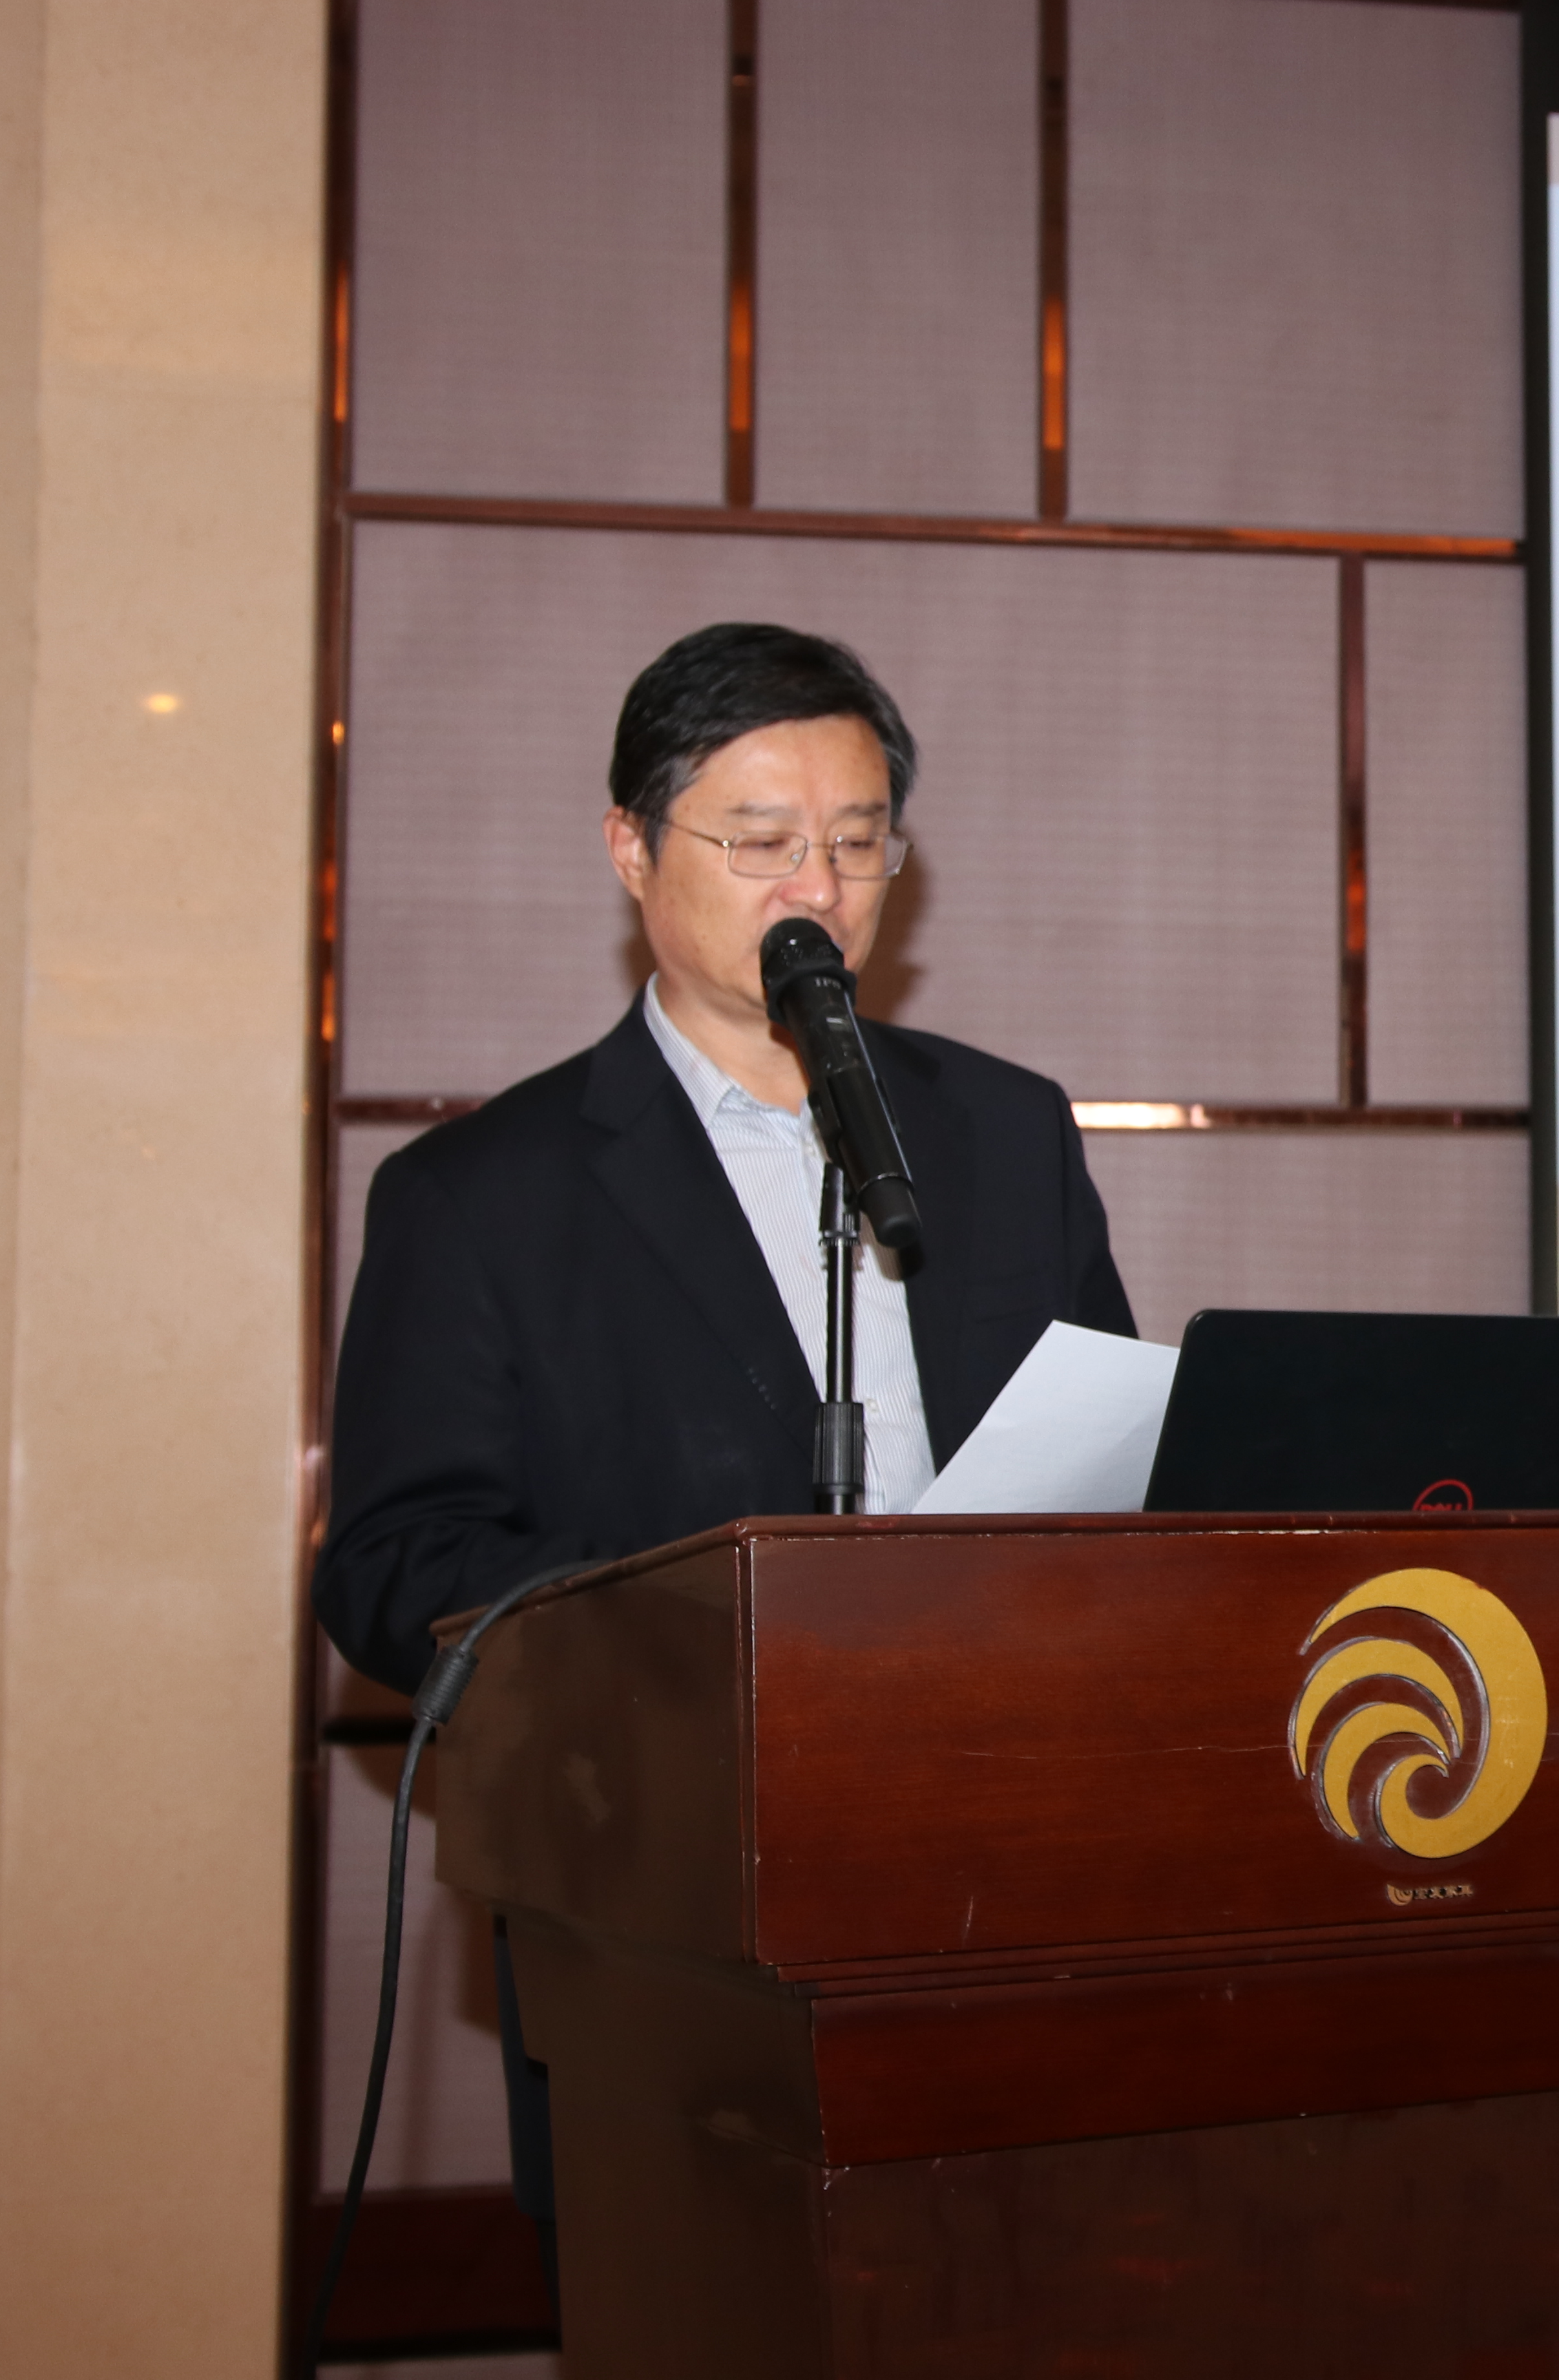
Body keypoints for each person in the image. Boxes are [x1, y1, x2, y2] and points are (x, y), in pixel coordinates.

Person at [312, 621, 1136, 2286]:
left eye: (856, 842)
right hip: (669, 1914)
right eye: (761, 843)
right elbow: (395, 1567)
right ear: (632, 849)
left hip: (1015, 1888)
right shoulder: (481, 1197)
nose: (816, 888)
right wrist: (712, 1629)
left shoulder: (1005, 1131)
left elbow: (1120, 1471)